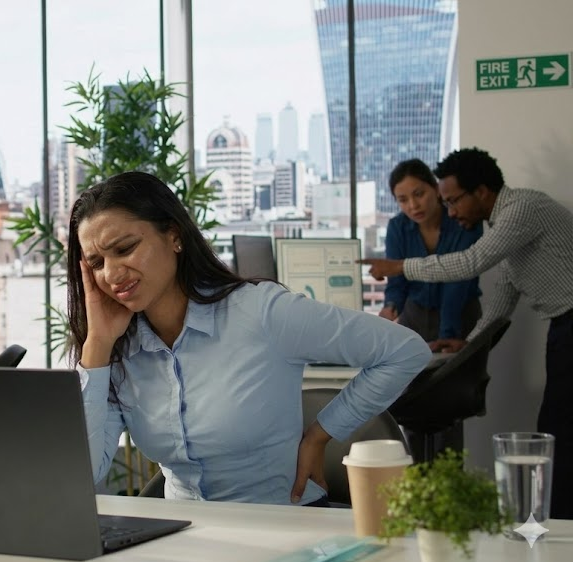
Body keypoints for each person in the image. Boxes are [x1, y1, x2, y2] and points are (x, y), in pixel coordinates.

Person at [68, 171, 430, 506]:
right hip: (187, 539)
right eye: (97, 263)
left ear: (174, 236)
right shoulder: (118, 348)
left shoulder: (261, 312)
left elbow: (404, 351)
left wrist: (321, 434)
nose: (112, 273)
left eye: (125, 248)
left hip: (284, 530)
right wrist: (97, 345)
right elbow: (84, 472)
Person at [360, 147, 573, 519]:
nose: (452, 210)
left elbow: (470, 263)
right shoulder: (504, 227)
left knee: (558, 428)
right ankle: (554, 522)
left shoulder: (522, 210)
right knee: (556, 427)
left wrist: (399, 267)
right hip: (563, 325)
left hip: (570, 322)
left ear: (483, 192)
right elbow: (502, 298)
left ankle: (556, 525)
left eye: (454, 200)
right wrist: (469, 345)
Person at [381, 159, 482, 343]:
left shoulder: (462, 219)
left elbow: (457, 282)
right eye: (403, 200)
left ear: (436, 189)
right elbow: (396, 281)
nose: (413, 206)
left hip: (461, 314)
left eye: (419, 194)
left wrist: (448, 334)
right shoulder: (397, 227)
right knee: (411, 371)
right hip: (415, 317)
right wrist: (390, 307)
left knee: (463, 371)